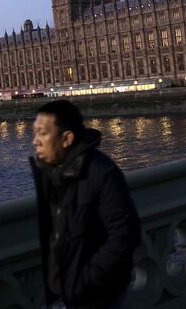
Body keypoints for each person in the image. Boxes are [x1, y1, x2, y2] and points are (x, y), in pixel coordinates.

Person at [29, 100, 141, 308]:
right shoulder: (49, 172)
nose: (35, 141)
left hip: (95, 296)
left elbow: (125, 234)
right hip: (63, 295)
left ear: (67, 138)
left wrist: (87, 281)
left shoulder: (101, 172)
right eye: (34, 132)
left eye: (42, 133)